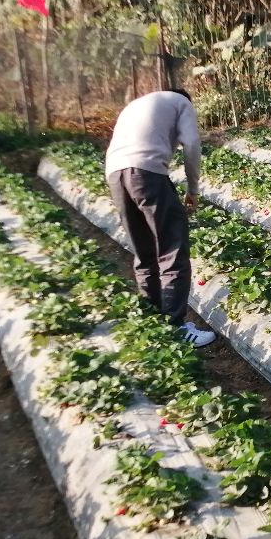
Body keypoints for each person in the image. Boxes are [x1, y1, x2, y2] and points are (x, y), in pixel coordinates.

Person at [105, 88, 216, 347]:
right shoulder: (181, 102)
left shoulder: (137, 104)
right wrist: (193, 189)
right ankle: (175, 328)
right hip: (146, 173)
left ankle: (153, 323)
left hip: (114, 174)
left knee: (144, 253)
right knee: (172, 250)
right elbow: (191, 144)